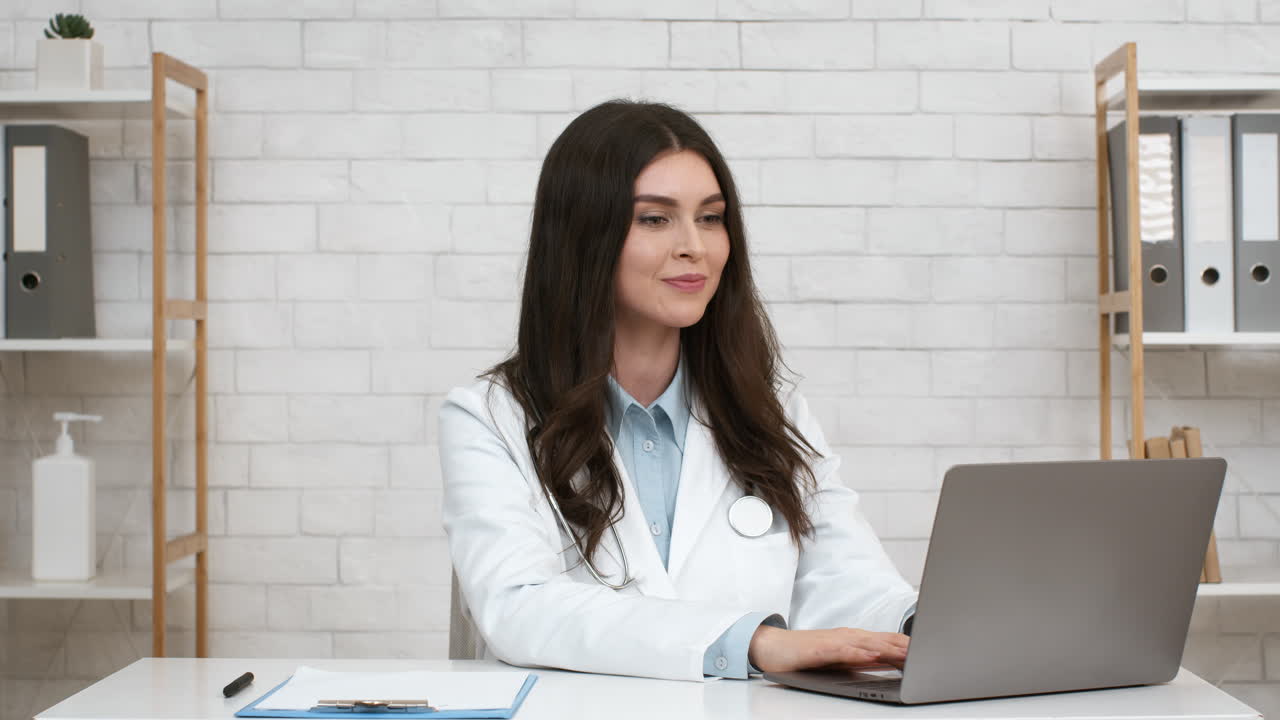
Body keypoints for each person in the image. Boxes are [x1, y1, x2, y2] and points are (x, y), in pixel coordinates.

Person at [439, 99, 916, 682]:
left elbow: (846, 575)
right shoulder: (492, 417)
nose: (695, 246)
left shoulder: (768, 409)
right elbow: (518, 606)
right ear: (583, 236)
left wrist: (921, 626)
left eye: (711, 218)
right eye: (654, 219)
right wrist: (753, 643)